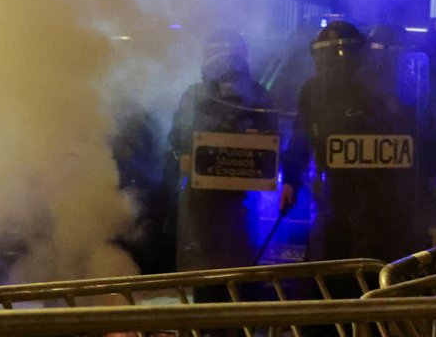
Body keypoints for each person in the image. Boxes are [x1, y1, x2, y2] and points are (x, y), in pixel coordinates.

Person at [165, 28, 300, 301]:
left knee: (238, 262)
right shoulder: (195, 96)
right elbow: (176, 136)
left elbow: (274, 137)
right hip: (205, 199)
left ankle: (234, 321)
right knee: (208, 266)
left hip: (243, 199)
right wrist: (183, 154)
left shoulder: (258, 96)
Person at [289, 20, 416, 265]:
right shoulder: (314, 91)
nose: (335, 62)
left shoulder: (378, 89)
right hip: (335, 192)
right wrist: (292, 180)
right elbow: (301, 135)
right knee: (331, 254)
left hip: (376, 195)